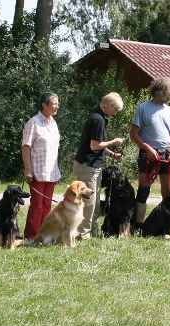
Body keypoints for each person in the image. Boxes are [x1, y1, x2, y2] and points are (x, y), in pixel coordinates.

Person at [74, 92, 124, 239]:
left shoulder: (99, 117)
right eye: (115, 110)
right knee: (88, 203)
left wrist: (111, 154)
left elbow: (98, 144)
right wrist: (114, 141)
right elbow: (95, 146)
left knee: (95, 203)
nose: (115, 113)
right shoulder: (98, 120)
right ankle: (82, 234)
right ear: (107, 105)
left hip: (92, 166)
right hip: (87, 166)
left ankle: (92, 231)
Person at [130, 77, 170, 225]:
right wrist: (147, 148)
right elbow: (133, 135)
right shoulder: (143, 108)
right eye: (168, 93)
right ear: (158, 91)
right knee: (144, 190)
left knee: (168, 193)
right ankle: (138, 225)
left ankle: (165, 224)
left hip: (167, 155)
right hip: (148, 155)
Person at [22, 92, 61, 240]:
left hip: (51, 173)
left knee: (46, 206)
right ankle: (31, 236)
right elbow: (26, 147)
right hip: (37, 172)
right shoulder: (34, 122)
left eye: (58, 103)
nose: (57, 106)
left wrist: (57, 170)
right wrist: (28, 169)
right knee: (37, 206)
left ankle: (43, 235)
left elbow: (54, 149)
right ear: (44, 105)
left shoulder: (54, 123)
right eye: (54, 103)